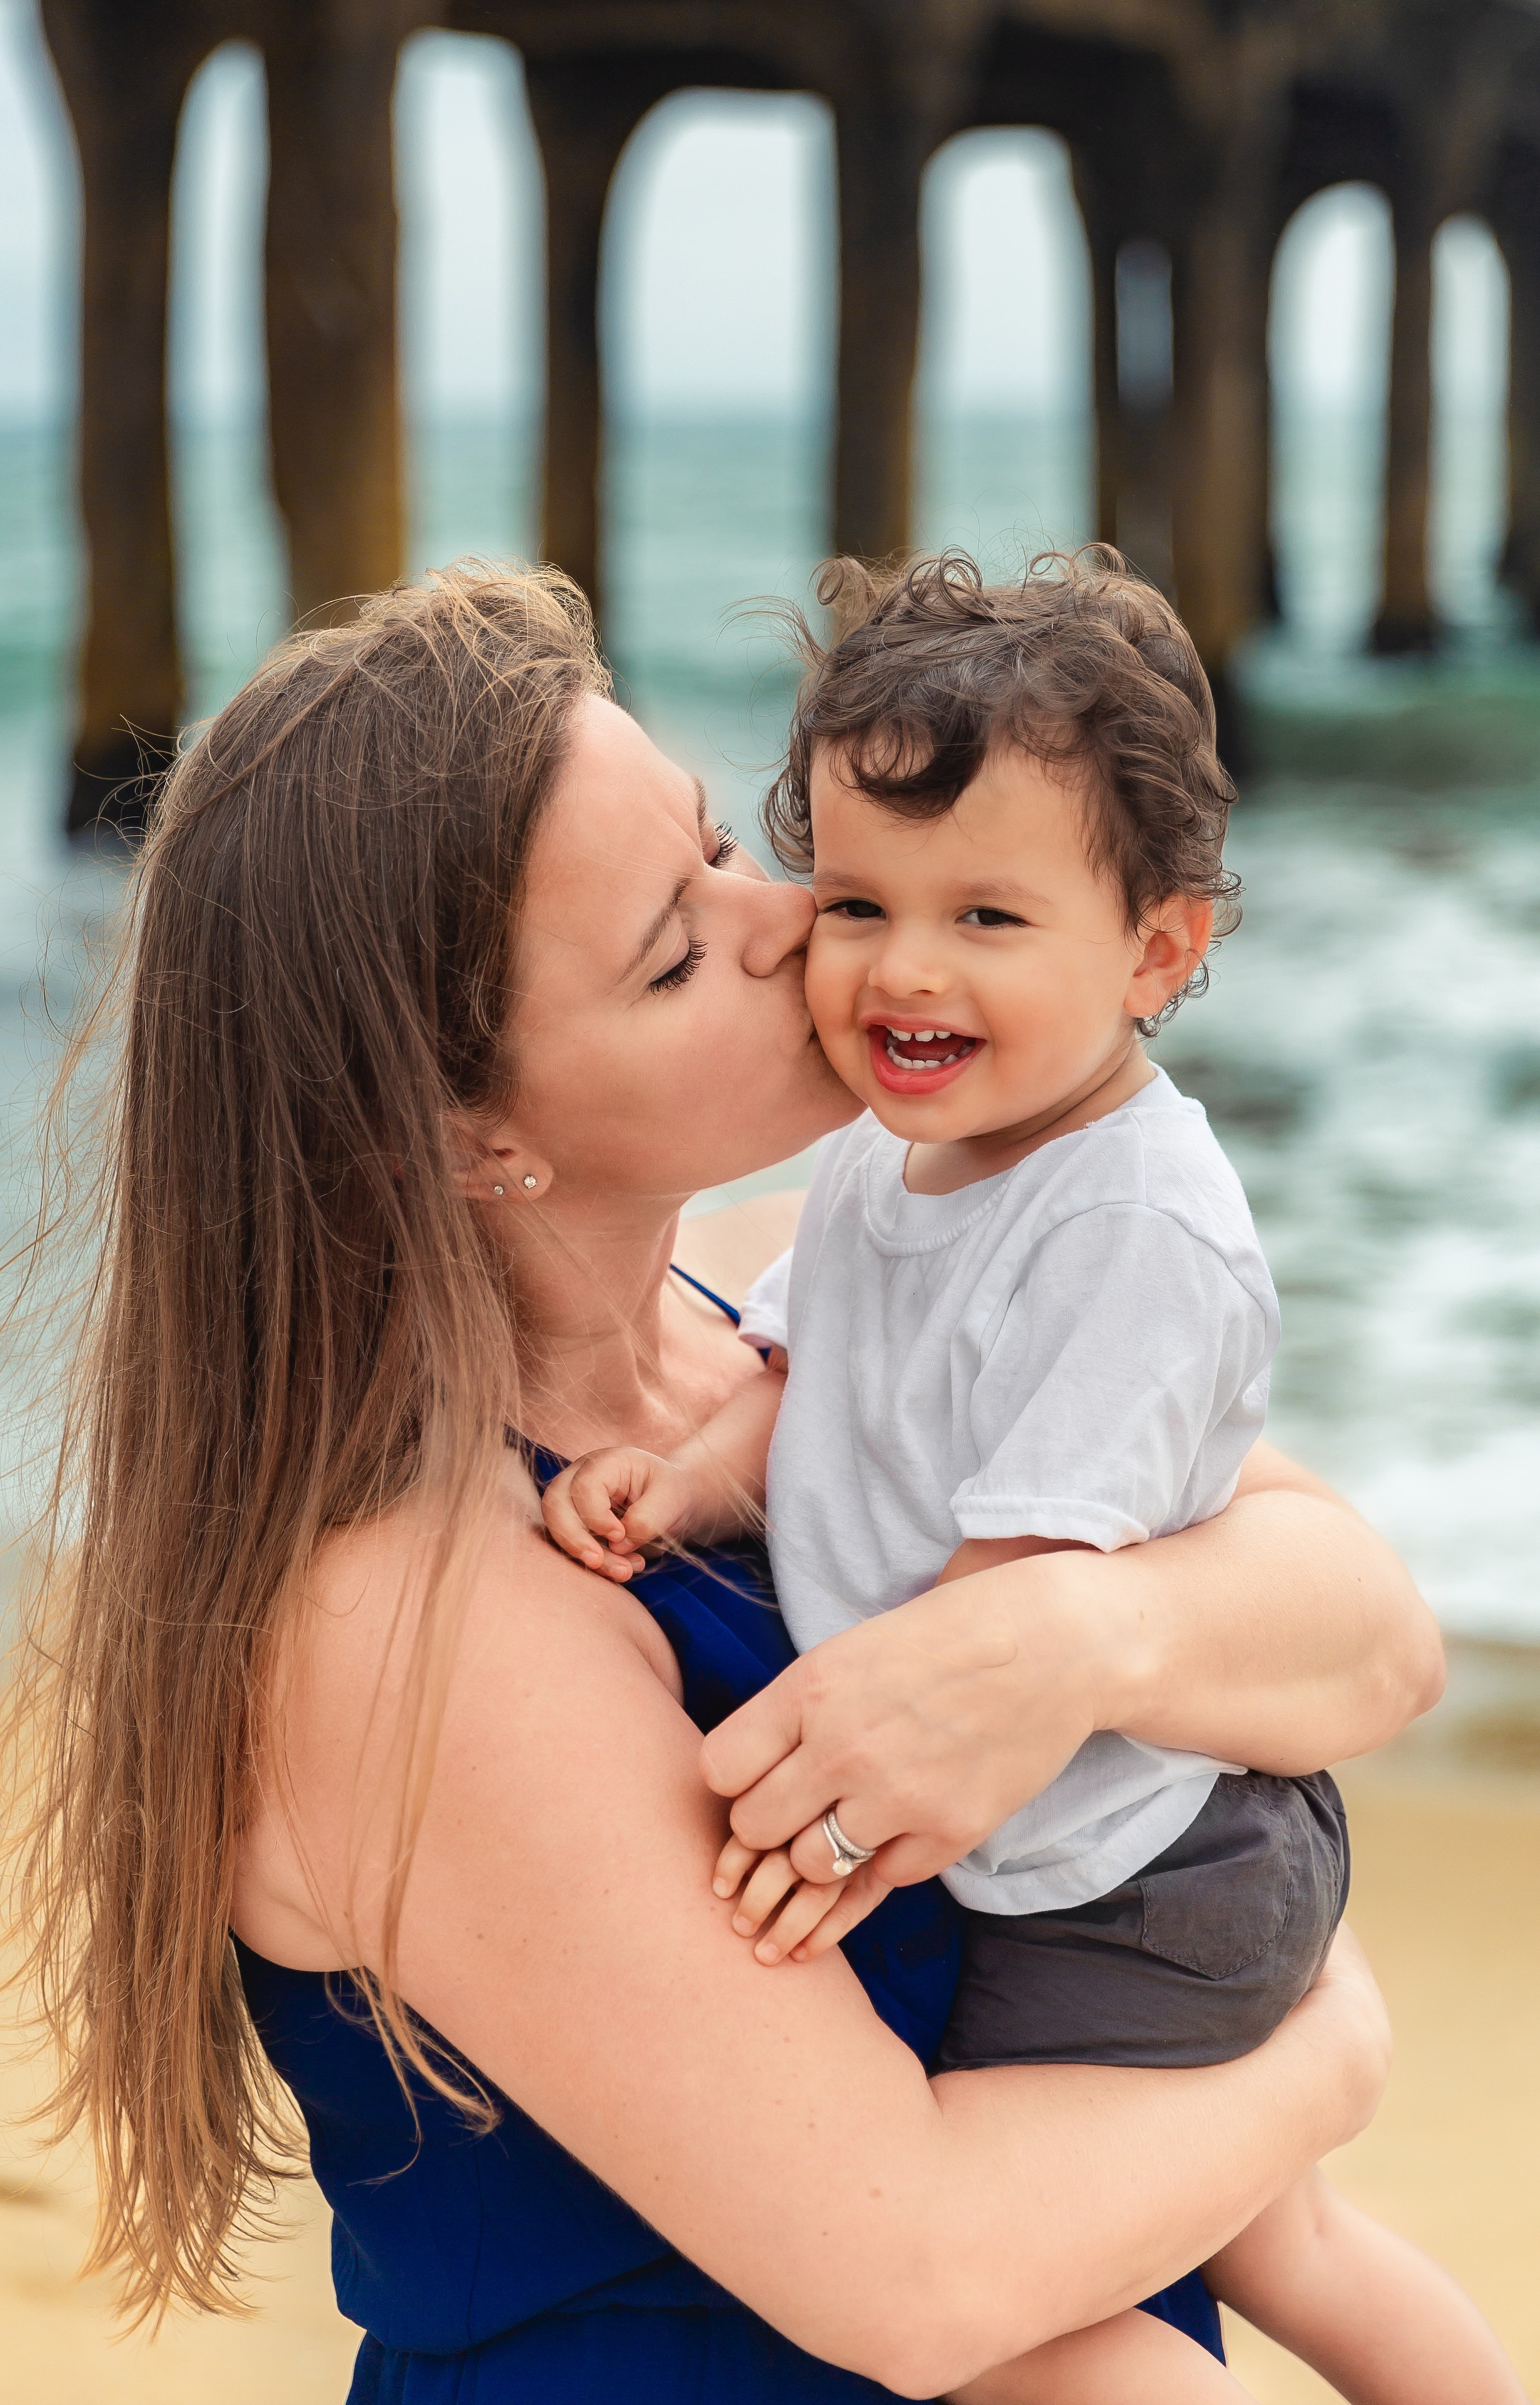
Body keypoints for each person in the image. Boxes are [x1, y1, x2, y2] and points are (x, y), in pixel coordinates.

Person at [0, 563, 1437, 2403]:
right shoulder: (414, 1618)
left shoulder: (783, 1297)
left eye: (721, 845)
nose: (803, 927)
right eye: (674, 949)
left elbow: (1373, 1633)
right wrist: (1330, 2053)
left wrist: (1077, 1632)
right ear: (472, 1138)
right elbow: (914, 2271)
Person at [543, 551, 1525, 2404]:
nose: (901, 970)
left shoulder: (1140, 1229)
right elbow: (809, 1385)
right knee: (1284, 2240)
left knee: (1021, 2299)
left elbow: (1004, 1635)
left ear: (1157, 951)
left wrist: (840, 1835)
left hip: (1129, 1878)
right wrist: (682, 1486)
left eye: (989, 917)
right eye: (856, 900)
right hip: (1097, 1843)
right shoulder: (879, 1169)